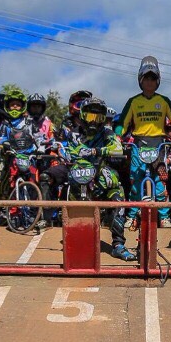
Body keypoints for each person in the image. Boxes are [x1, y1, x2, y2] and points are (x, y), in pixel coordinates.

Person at [59, 97, 137, 261]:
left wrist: (96, 151)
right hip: (79, 175)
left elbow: (117, 147)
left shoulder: (107, 132)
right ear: (82, 116)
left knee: (117, 193)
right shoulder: (74, 134)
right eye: (90, 117)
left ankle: (118, 245)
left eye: (98, 117)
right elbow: (71, 152)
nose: (94, 121)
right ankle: (75, 239)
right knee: (69, 191)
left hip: (101, 173)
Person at [117, 56, 171, 206]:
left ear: (158, 81)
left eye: (153, 79)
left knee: (161, 180)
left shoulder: (164, 101)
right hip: (138, 144)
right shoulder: (133, 101)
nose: (149, 82)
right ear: (140, 80)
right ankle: (133, 215)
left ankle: (164, 217)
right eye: (146, 78)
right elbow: (122, 124)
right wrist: (117, 137)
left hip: (158, 145)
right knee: (136, 179)